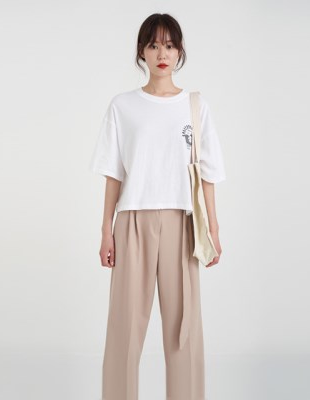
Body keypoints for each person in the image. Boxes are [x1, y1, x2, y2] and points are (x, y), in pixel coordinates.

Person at [89, 13, 226, 400]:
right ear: (142, 52)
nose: (161, 54)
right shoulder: (123, 106)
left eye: (169, 45)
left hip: (182, 222)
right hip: (132, 221)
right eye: (153, 45)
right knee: (124, 328)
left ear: (179, 51)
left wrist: (214, 229)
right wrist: (105, 231)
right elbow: (113, 173)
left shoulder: (196, 107)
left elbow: (209, 174)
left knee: (184, 331)